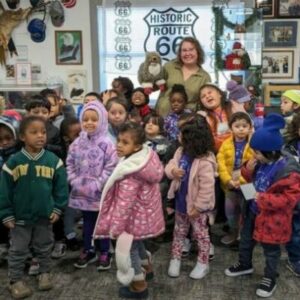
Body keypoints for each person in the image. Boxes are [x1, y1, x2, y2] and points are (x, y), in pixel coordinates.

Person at [225, 113, 300, 298]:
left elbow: (289, 200)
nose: (254, 155)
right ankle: (245, 264)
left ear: (271, 151)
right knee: (246, 240)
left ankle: (270, 276)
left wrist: (263, 199)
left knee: (271, 250)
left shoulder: (288, 172)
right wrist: (246, 170)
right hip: (253, 210)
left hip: (273, 219)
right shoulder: (261, 161)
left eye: (257, 152)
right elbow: (254, 180)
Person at [93, 122, 165, 299]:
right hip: (144, 215)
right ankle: (147, 267)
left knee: (129, 249)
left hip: (132, 218)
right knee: (138, 242)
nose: (118, 145)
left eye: (125, 142)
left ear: (137, 146)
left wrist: (116, 229)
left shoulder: (130, 173)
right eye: (118, 140)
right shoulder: (146, 157)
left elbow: (124, 204)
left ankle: (139, 284)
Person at [0, 115, 68, 299]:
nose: (40, 136)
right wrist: (6, 214)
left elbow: (61, 190)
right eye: (34, 132)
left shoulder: (54, 161)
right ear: (22, 137)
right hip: (19, 218)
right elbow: (4, 192)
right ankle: (15, 281)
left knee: (44, 246)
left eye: (43, 132)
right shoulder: (13, 162)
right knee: (18, 250)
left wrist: (57, 209)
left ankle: (44, 273)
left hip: (44, 216)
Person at [67, 100, 118, 270]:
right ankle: (88, 249)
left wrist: (99, 182)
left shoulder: (107, 143)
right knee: (87, 221)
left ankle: (105, 251)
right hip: (82, 192)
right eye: (85, 119)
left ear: (102, 120)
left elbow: (111, 166)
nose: (89, 123)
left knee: (102, 222)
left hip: (101, 192)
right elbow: (70, 162)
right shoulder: (77, 143)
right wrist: (73, 179)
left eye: (94, 119)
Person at [165, 115, 217, 279]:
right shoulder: (181, 151)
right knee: (179, 232)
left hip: (197, 208)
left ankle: (203, 263)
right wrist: (173, 171)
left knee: (201, 235)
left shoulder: (205, 160)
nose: (179, 138)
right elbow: (170, 165)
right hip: (181, 203)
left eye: (183, 136)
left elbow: (207, 188)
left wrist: (198, 207)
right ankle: (176, 258)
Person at [217, 112, 254, 245]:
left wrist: (241, 182)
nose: (241, 129)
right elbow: (220, 164)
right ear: (231, 128)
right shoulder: (225, 144)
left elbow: (255, 166)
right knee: (231, 212)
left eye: (244, 126)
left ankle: (244, 236)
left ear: (250, 127)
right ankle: (233, 233)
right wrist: (228, 180)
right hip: (230, 185)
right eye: (237, 126)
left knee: (249, 211)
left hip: (249, 185)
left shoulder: (253, 145)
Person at [156, 37, 211, 117]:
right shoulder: (169, 66)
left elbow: (205, 104)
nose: (187, 53)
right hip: (161, 118)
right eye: (184, 50)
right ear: (180, 53)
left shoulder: (204, 77)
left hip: (186, 123)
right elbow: (155, 85)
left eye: (191, 49)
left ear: (198, 52)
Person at [0, 115, 20, 265]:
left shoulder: (20, 156)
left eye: (8, 138)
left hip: (17, 199)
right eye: (0, 140)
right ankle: (3, 246)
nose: (4, 143)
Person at [198, 83, 233, 152]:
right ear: (202, 103)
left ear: (219, 94)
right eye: (203, 96)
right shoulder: (203, 117)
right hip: (216, 153)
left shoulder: (232, 108)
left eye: (210, 92)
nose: (207, 96)